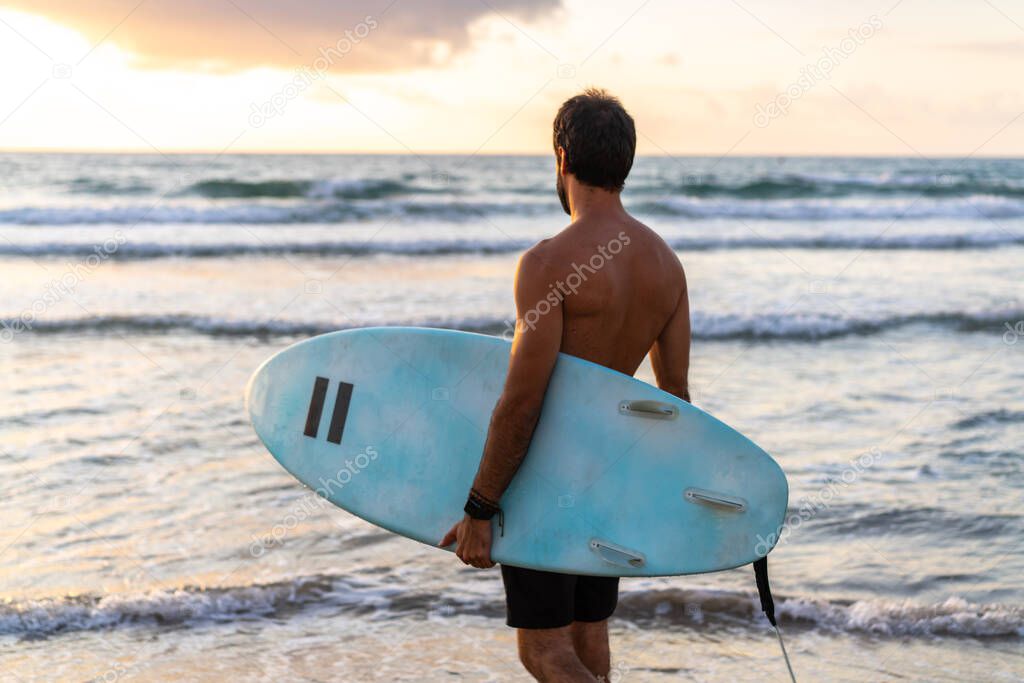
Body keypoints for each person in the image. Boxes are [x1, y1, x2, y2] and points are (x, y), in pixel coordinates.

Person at [440, 88, 691, 683]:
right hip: (609, 477)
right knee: (587, 635)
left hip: (547, 483)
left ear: (561, 157)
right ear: (625, 164)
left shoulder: (549, 263)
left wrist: (480, 507)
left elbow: (524, 400)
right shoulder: (666, 266)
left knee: (544, 651)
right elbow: (674, 401)